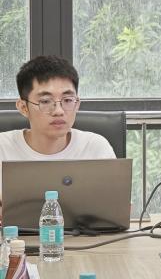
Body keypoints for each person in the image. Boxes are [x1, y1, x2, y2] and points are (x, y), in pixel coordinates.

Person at [0, 55, 116, 197]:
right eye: (45, 101)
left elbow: (115, 206)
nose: (59, 111)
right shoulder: (3, 148)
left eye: (67, 100)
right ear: (23, 107)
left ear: (77, 104)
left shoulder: (95, 148)